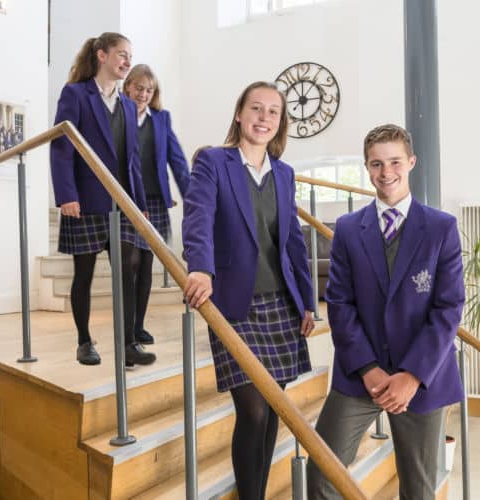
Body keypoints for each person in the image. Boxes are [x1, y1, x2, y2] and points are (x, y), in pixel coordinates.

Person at [307, 124, 465, 499]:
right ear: (366, 167)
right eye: (376, 164)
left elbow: (448, 307)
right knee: (321, 472)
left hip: (421, 378)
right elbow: (340, 303)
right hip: (361, 375)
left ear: (411, 162)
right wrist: (368, 368)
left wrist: (411, 375)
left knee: (419, 488)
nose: (386, 172)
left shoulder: (442, 228)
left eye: (394, 161)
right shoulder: (347, 229)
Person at [182, 81, 315, 500]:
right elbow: (198, 217)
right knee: (253, 410)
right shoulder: (213, 161)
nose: (263, 117)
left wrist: (307, 301)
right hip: (233, 304)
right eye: (255, 108)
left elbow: (293, 240)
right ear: (239, 114)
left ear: (280, 124)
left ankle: (254, 493)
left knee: (273, 406)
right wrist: (200, 269)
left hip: (280, 303)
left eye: (273, 112)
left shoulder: (285, 173)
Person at [50, 32, 156, 367]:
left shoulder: (127, 105)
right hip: (84, 201)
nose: (127, 61)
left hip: (121, 203)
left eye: (130, 55)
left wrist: (139, 203)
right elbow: (62, 148)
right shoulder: (76, 94)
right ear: (101, 55)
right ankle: (84, 341)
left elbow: (132, 159)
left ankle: (127, 344)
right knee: (84, 274)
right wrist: (66, 195)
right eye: (121, 54)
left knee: (126, 271)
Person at [123, 64, 190, 344]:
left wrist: (192, 198)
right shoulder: (116, 115)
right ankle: (126, 329)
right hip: (126, 199)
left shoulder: (161, 119)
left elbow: (176, 159)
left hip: (155, 201)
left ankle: (138, 325)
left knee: (148, 263)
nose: (143, 94)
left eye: (149, 90)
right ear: (128, 87)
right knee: (131, 264)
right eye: (139, 88)